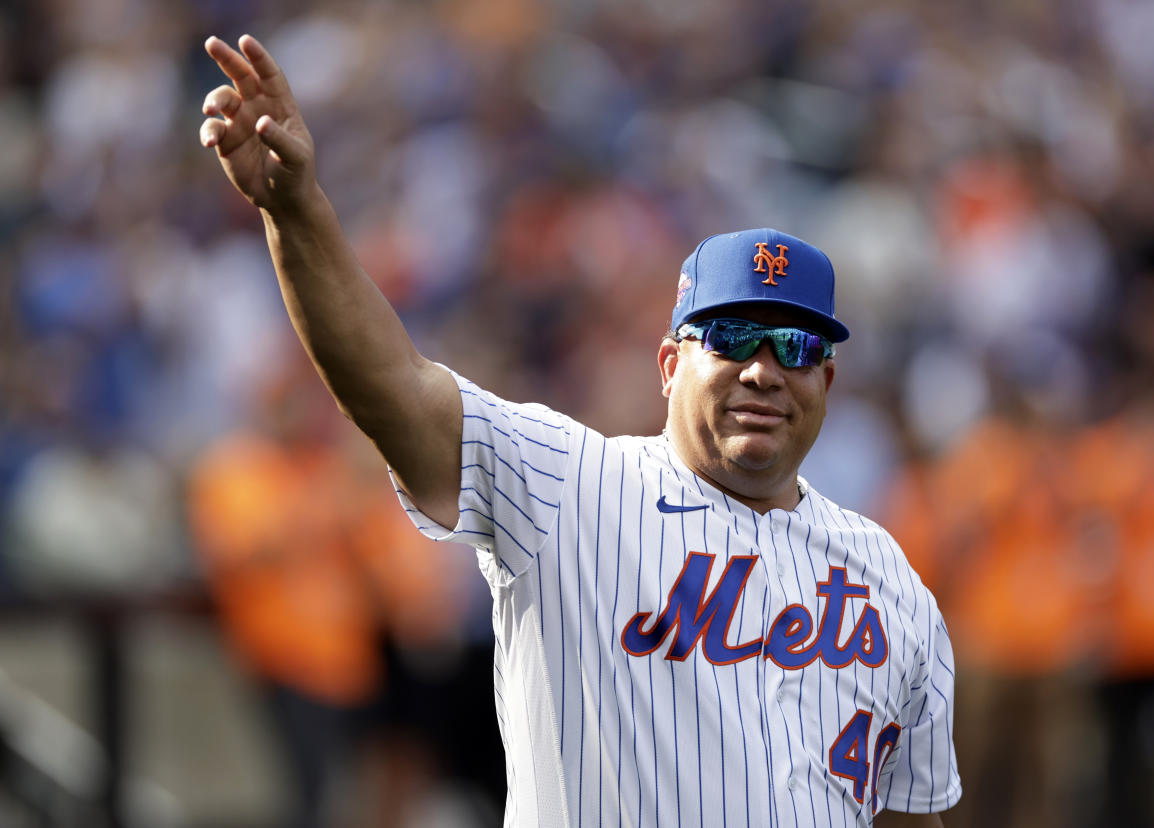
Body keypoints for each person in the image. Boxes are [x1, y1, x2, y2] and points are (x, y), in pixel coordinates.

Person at [199, 33, 960, 827]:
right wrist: (296, 211)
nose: (763, 370)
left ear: (826, 381)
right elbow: (391, 386)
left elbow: (909, 813)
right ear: (670, 366)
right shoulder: (570, 486)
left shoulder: (890, 580)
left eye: (796, 348)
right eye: (730, 340)